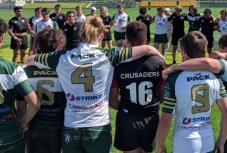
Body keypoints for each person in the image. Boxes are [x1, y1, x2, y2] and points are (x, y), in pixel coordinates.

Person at [28, 16, 164, 153]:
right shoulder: (109, 55)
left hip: (72, 124)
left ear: (80, 35)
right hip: (98, 126)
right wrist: (161, 58)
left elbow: (31, 60)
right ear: (101, 36)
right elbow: (147, 49)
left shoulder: (61, 57)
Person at [157, 31, 227, 153]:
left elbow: (166, 120)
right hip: (207, 139)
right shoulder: (215, 75)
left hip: (184, 142)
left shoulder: (175, 77)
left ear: (184, 50)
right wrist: (221, 142)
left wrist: (160, 145)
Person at [110, 21, 166, 153]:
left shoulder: (119, 64)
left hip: (127, 118)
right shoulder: (159, 62)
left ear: (127, 40)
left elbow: (112, 102)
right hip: (151, 117)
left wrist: (127, 107)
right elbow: (162, 96)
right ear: (146, 39)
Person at [17, 28, 67, 153]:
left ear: (38, 45)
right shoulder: (65, 71)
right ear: (60, 46)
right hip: (60, 121)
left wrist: (23, 125)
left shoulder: (24, 71)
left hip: (35, 122)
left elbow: (21, 107)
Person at [0, 18, 40, 152]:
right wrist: (23, 123)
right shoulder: (13, 69)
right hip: (8, 132)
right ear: (1, 39)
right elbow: (34, 103)